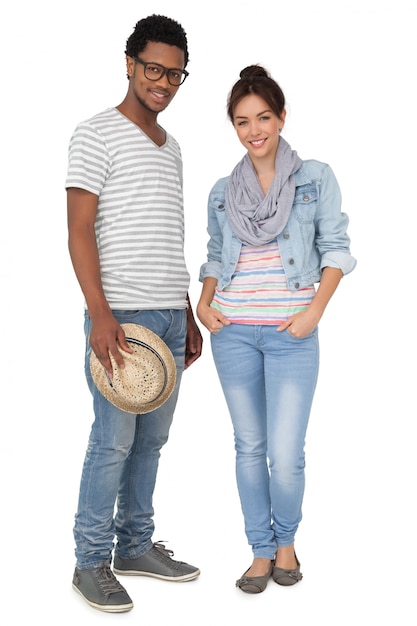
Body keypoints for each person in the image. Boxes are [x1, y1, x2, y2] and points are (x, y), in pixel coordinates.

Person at [197, 65, 356, 594]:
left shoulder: (314, 178)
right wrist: (205, 301)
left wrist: (316, 311)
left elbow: (335, 248)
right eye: (242, 121)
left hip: (292, 334)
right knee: (248, 447)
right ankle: (261, 553)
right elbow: (217, 254)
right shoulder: (223, 191)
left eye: (263, 117)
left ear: (282, 117)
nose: (253, 130)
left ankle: (286, 542)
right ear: (234, 128)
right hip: (234, 332)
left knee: (286, 454)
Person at [66, 14, 203, 613]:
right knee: (112, 442)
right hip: (119, 318)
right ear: (129, 63)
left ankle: (135, 545)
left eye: (175, 73)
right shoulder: (94, 133)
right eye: (154, 68)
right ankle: (90, 560)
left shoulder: (172, 148)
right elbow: (78, 230)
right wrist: (99, 312)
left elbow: (169, 236)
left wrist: (188, 315)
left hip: (169, 317)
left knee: (153, 440)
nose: (164, 82)